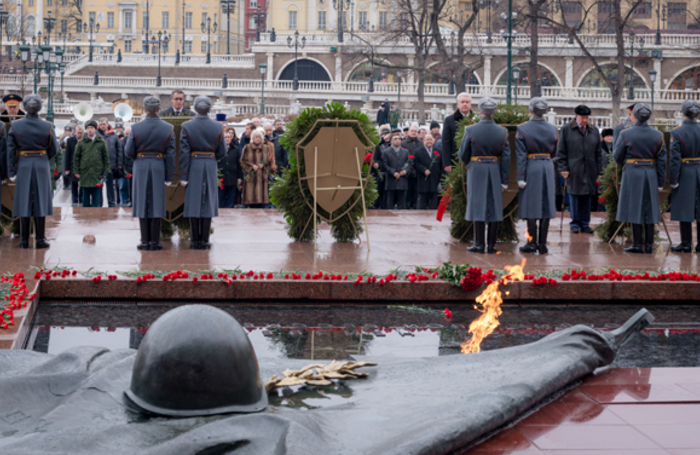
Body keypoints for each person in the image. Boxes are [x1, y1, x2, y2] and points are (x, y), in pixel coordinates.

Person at [458, 97, 511, 254]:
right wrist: (504, 179)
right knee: (494, 205)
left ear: (480, 111)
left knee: (477, 204)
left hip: (476, 168)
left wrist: (471, 161)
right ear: (494, 112)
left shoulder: (471, 130)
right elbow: (506, 158)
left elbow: (462, 155)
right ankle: (491, 245)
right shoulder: (502, 131)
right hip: (494, 168)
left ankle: (479, 244)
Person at [6, 95, 58, 249]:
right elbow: (53, 150)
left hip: (23, 164)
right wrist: (42, 159)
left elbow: (10, 151)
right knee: (40, 202)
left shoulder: (15, 125)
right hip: (42, 163)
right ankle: (40, 240)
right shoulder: (48, 126)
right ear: (40, 107)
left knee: (24, 201)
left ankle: (24, 240)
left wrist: (11, 171)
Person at [124, 96, 176, 251]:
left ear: (145, 110)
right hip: (159, 165)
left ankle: (144, 241)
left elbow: (128, 151)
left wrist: (139, 158)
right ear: (159, 110)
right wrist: (169, 176)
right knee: (157, 203)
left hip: (140, 165)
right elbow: (171, 155)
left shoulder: (136, 127)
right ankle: (155, 241)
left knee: (141, 202)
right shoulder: (168, 128)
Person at [613, 103, 666, 253]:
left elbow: (617, 157)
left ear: (634, 115)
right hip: (650, 172)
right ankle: (649, 245)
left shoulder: (625, 134)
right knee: (650, 208)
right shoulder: (658, 135)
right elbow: (662, 161)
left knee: (634, 207)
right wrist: (661, 182)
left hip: (632, 172)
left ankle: (637, 244)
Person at [179, 96, 227, 250]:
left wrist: (183, 175)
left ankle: (194, 240)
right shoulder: (218, 127)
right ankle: (204, 241)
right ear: (209, 108)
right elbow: (222, 151)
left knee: (193, 202)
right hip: (210, 164)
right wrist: (210, 158)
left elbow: (184, 153)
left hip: (193, 164)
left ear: (194, 108)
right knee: (208, 202)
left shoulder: (187, 126)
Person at [516, 98, 559, 254]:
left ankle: (531, 243)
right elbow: (555, 152)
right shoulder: (553, 128)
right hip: (547, 165)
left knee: (531, 205)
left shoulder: (523, 129)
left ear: (531, 110)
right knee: (546, 205)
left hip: (531, 166)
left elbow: (520, 155)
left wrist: (520, 176)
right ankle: (542, 244)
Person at [555, 104, 602, 234]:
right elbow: (561, 151)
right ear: (576, 116)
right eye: (582, 117)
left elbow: (598, 152)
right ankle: (575, 223)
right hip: (573, 169)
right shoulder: (566, 129)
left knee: (587, 197)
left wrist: (599, 171)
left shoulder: (593, 130)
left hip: (590, 169)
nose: (585, 120)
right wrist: (563, 168)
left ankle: (585, 223)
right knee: (575, 196)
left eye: (587, 117)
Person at [668, 100, 700, 253]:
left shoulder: (677, 132)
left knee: (684, 208)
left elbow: (674, 159)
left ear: (683, 113)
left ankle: (686, 243)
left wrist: (673, 179)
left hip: (685, 171)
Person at [73, 120, 110, 208]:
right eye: (88, 128)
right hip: (85, 173)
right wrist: (76, 171)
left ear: (95, 129)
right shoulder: (81, 143)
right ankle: (86, 218)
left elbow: (105, 158)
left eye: (92, 128)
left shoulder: (101, 142)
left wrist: (106, 171)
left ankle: (95, 218)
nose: (90, 130)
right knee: (85, 199)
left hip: (97, 174)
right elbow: (76, 158)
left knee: (96, 200)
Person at [240, 129, 276, 208]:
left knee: (261, 200)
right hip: (250, 177)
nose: (258, 139)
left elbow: (270, 160)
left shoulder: (266, 148)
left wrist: (264, 166)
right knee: (251, 200)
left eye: (259, 137)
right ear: (253, 138)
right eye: (256, 137)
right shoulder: (247, 147)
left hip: (262, 176)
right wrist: (250, 167)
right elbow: (242, 161)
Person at [443, 92, 472, 175]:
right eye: (462, 102)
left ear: (470, 104)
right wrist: (447, 163)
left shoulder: (476, 119)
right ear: (458, 104)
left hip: (473, 160)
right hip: (455, 161)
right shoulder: (449, 120)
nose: (465, 104)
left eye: (467, 102)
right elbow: (445, 143)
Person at [382, 131, 412, 209]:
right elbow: (384, 165)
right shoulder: (386, 152)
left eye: (399, 139)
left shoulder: (406, 151)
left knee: (402, 202)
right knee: (390, 202)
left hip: (402, 180)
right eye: (395, 139)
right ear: (391, 141)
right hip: (391, 181)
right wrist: (393, 172)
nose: (397, 140)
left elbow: (410, 163)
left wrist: (405, 171)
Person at [98, 118, 123, 207]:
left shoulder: (114, 135)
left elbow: (119, 149)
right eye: (101, 124)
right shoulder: (97, 135)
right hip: (99, 165)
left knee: (110, 186)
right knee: (99, 186)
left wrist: (119, 163)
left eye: (104, 124)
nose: (102, 125)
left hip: (111, 164)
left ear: (107, 124)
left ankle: (111, 203)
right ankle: (99, 204)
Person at [413, 133, 442, 210]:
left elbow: (441, 165)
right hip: (423, 180)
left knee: (434, 202)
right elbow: (415, 163)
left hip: (434, 180)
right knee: (422, 201)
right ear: (423, 141)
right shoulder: (417, 151)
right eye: (427, 139)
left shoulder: (439, 151)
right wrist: (424, 169)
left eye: (431, 139)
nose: (429, 141)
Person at [218, 126, 242, 209]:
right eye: (225, 137)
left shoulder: (235, 149)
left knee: (231, 199)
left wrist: (239, 177)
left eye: (228, 137)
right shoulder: (218, 149)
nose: (227, 139)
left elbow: (239, 164)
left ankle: (230, 216)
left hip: (232, 177)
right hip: (221, 178)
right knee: (220, 199)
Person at [402, 125, 421, 209]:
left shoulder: (420, 143)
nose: (414, 132)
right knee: (408, 191)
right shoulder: (404, 143)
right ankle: (407, 206)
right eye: (412, 131)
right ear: (408, 132)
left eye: (415, 131)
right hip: (407, 172)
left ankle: (416, 205)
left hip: (418, 171)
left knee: (417, 191)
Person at [63, 125, 83, 204]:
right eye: (78, 132)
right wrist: (67, 169)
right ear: (75, 132)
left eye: (81, 133)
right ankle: (74, 200)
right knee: (74, 183)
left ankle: (81, 199)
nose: (79, 134)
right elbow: (67, 155)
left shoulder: (85, 140)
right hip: (72, 165)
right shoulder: (70, 140)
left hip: (82, 166)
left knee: (82, 184)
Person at [372, 127, 391, 209]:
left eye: (387, 134)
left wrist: (378, 163)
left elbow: (380, 159)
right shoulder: (377, 145)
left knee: (384, 194)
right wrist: (374, 163)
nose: (386, 137)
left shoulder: (391, 144)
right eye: (384, 135)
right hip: (376, 173)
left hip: (387, 173)